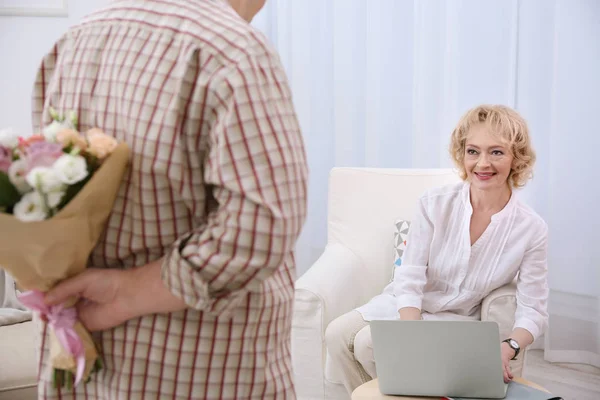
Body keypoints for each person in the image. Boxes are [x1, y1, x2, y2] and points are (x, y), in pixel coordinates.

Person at [35, 0, 308, 398]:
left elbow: (44, 199)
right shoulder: (234, 50)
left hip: (84, 366)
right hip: (202, 373)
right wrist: (130, 291)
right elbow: (259, 227)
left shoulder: (75, 40)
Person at [325, 104, 549, 396]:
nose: (482, 163)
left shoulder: (531, 228)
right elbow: (411, 272)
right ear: (462, 153)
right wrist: (412, 331)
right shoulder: (434, 202)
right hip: (406, 304)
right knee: (335, 335)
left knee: (369, 343)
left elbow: (534, 310)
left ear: (516, 158)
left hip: (457, 319)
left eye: (496, 152)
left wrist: (510, 347)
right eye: (473, 151)